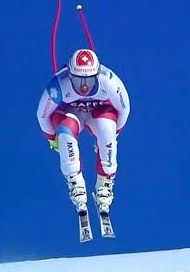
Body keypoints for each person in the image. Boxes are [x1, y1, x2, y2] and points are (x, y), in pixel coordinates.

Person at [37, 48, 130, 214]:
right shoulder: (59, 85)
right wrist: (52, 139)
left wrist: (115, 134)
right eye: (78, 80)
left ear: (98, 74)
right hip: (71, 114)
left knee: (108, 132)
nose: (85, 87)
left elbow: (124, 109)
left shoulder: (109, 82)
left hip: (98, 113)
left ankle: (105, 184)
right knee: (65, 135)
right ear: (69, 75)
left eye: (90, 80)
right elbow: (42, 115)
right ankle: (75, 183)